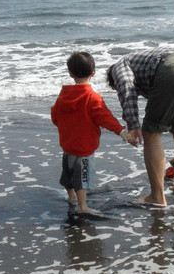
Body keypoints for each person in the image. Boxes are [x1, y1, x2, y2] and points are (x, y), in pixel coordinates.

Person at [106, 48, 174, 207]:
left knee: (150, 134)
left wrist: (133, 125)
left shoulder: (119, 66)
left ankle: (157, 196)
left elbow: (126, 87)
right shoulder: (140, 61)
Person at [51, 50, 131, 215]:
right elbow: (105, 118)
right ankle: (82, 206)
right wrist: (121, 131)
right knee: (82, 178)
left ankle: (71, 196)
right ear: (93, 73)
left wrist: (66, 128)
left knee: (68, 173)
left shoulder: (63, 95)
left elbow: (55, 116)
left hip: (67, 145)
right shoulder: (92, 97)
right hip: (84, 148)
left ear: (70, 74)